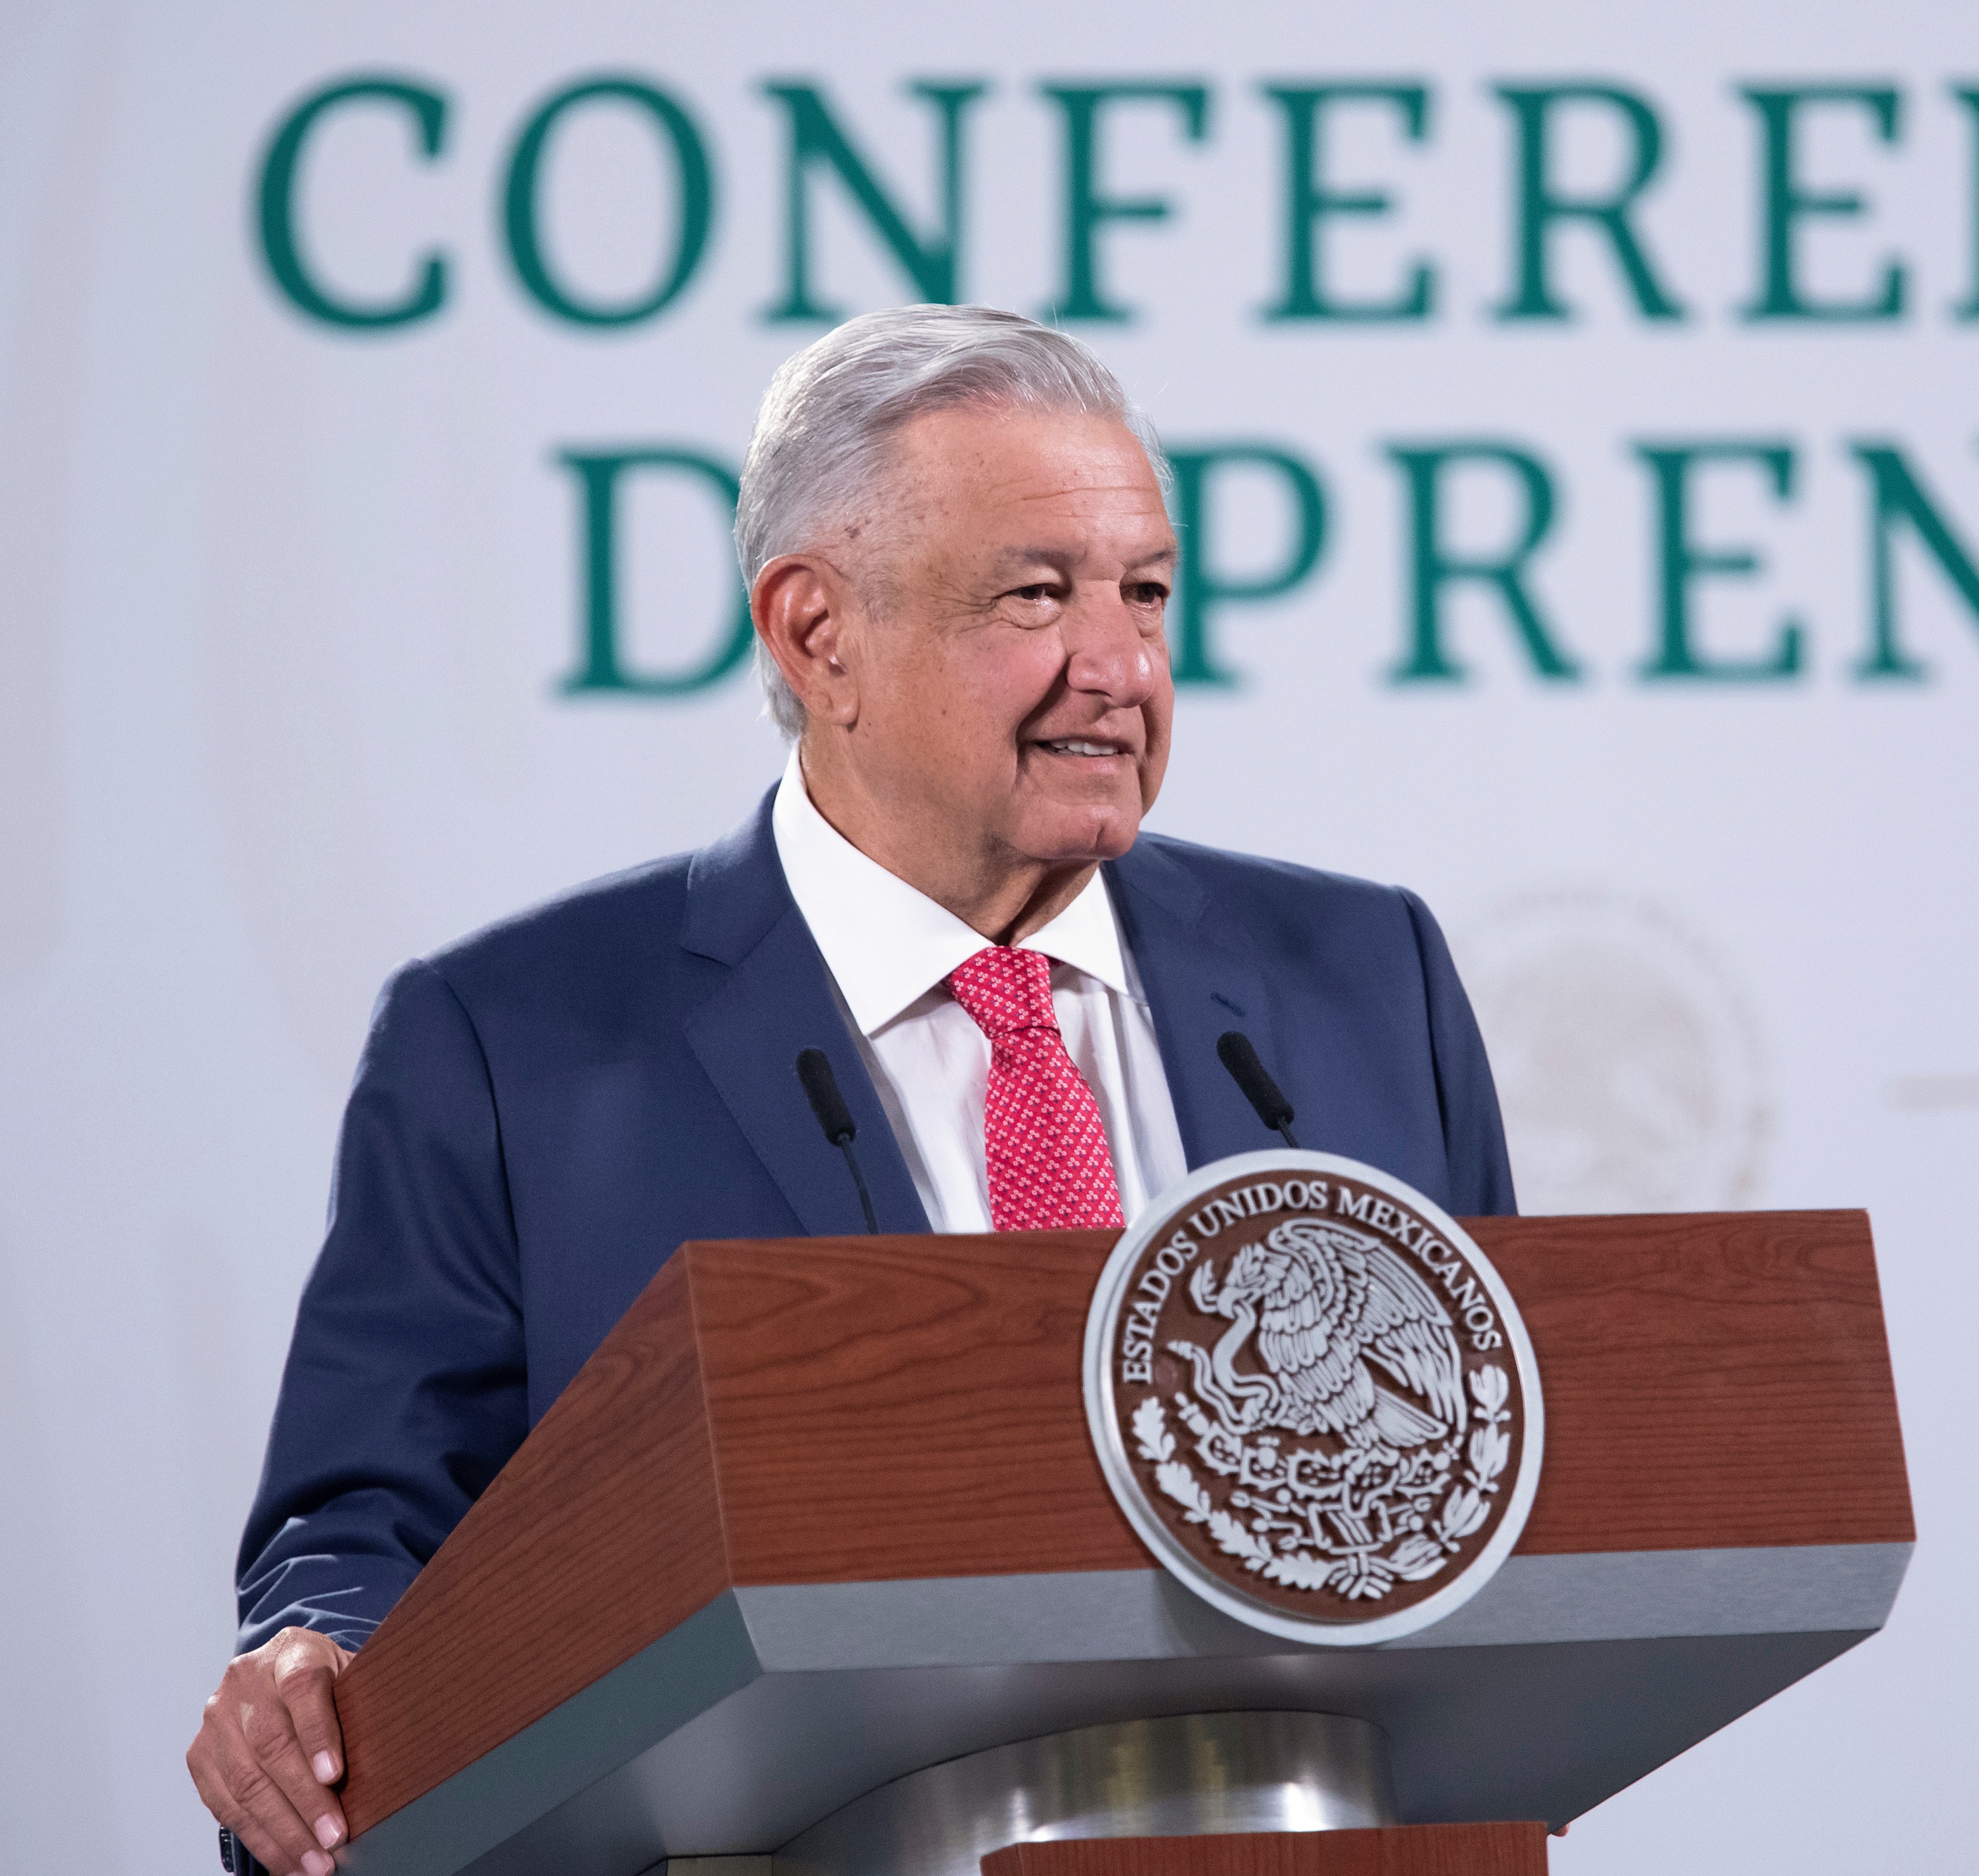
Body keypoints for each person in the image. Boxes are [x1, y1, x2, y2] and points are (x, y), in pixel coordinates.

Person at [182, 305, 1514, 1876]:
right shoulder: (510, 1043)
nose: (1120, 666)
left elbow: (1510, 1496)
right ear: (818, 636)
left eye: (1144, 594)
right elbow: (363, 1538)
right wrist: (318, 1669)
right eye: (1036, 595)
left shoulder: (1366, 976)